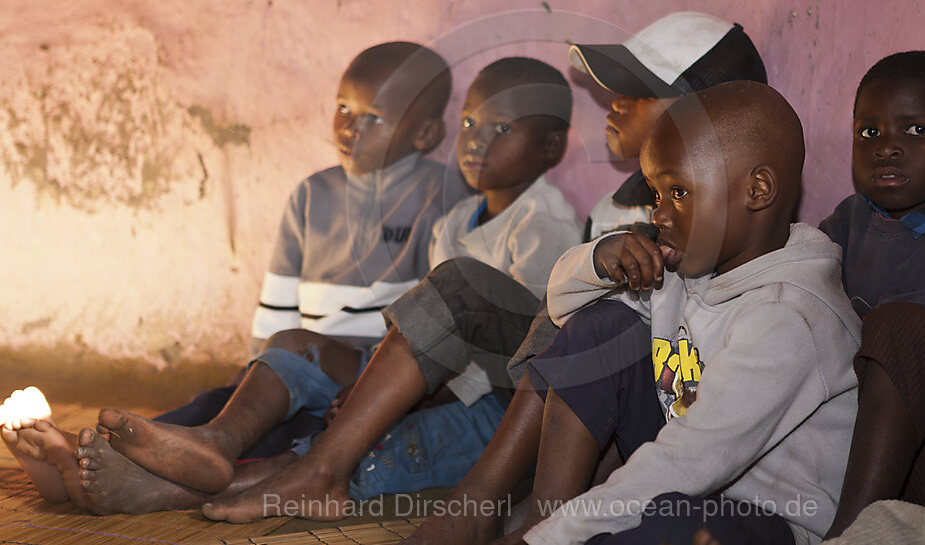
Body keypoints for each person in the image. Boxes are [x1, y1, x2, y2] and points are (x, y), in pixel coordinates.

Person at [2, 56, 584, 516]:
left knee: (340, 441)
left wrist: (396, 391)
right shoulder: (445, 217)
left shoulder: (503, 212)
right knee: (245, 386)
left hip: (434, 391)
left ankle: (152, 485)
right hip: (370, 371)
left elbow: (523, 342)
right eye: (471, 124)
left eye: (500, 128)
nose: (477, 140)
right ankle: (132, 456)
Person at [405, 13, 769, 545]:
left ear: (707, 118)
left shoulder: (731, 232)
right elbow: (559, 310)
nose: (615, 105)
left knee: (595, 322)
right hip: (592, 406)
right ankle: (497, 508)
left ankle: (503, 510)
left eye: (638, 94)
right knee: (580, 316)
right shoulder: (609, 210)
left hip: (680, 416)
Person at [514, 81, 862, 545]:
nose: (659, 216)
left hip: (767, 518)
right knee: (599, 329)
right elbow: (561, 306)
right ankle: (546, 519)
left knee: (672, 528)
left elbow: (691, 461)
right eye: (656, 196)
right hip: (682, 477)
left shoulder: (788, 316)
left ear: (757, 190)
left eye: (678, 192)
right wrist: (598, 260)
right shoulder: (686, 270)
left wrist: (549, 540)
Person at [158, 41, 470, 459]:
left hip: (377, 373)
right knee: (219, 403)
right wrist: (257, 367)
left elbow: (444, 317)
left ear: (426, 134)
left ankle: (195, 454)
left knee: (282, 386)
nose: (350, 128)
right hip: (298, 363)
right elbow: (279, 301)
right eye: (343, 108)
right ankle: (126, 449)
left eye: (374, 118)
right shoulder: (312, 195)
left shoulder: (440, 197)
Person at [820, 52, 925, 537]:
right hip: (854, 447)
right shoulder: (847, 222)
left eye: (915, 131)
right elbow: (797, 281)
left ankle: (848, 533)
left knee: (903, 323)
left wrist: (876, 324)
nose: (887, 148)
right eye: (869, 133)